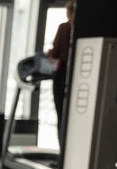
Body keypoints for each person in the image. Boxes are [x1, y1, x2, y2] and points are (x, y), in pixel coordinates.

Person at [46, 1, 75, 150]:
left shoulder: (64, 27)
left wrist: (48, 55)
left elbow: (55, 52)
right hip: (76, 77)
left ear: (68, 12)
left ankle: (63, 154)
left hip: (62, 74)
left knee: (61, 115)